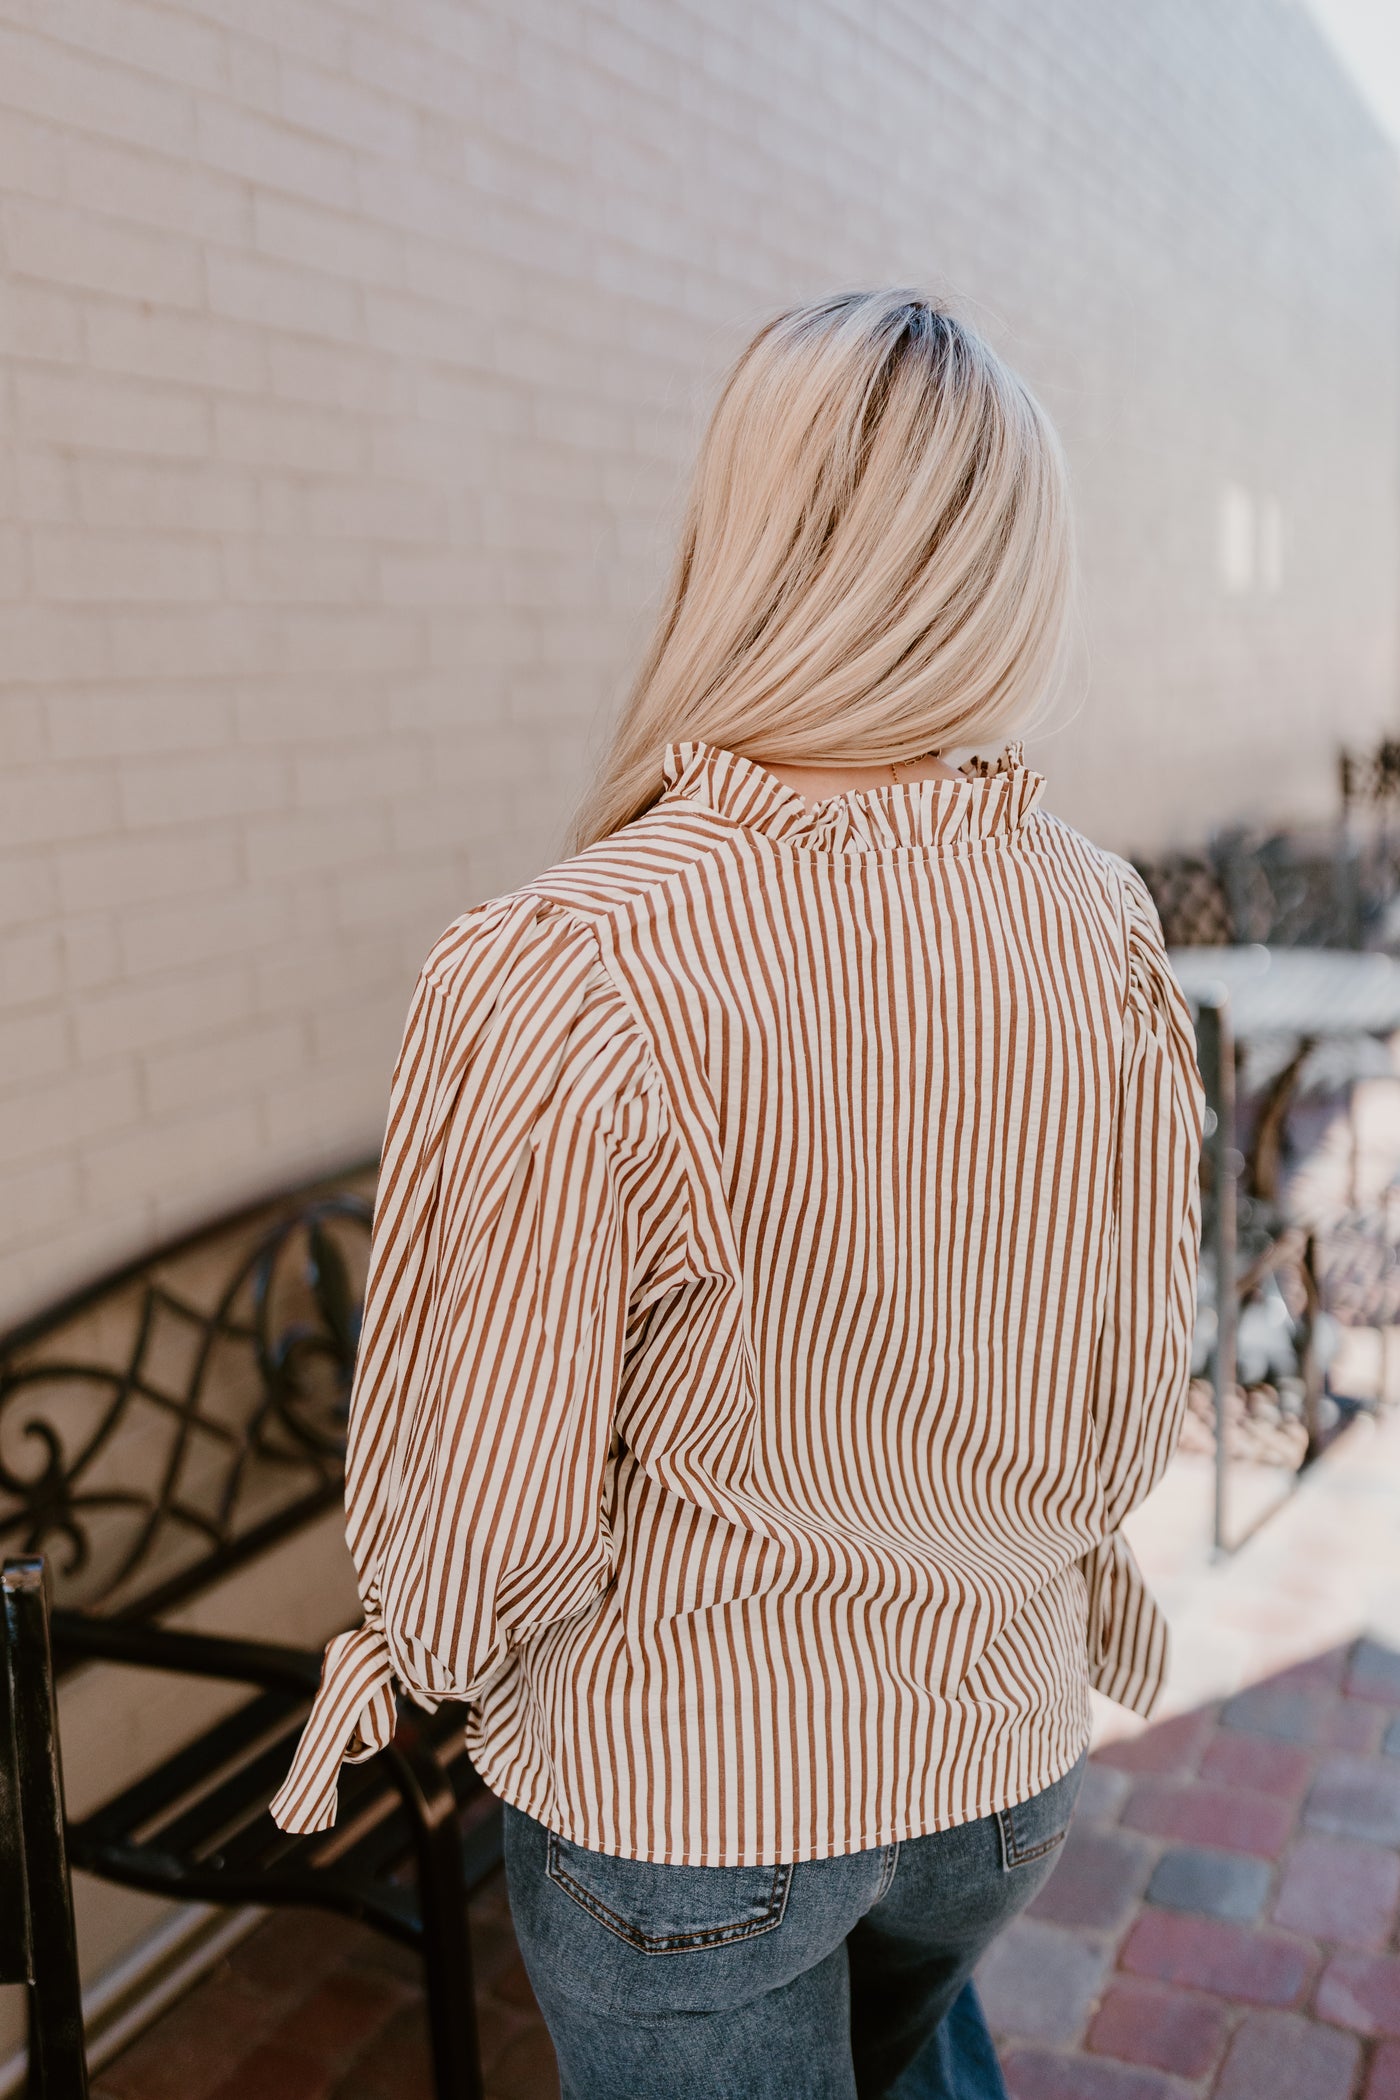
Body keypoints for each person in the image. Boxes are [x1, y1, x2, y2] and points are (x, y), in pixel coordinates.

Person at [270, 290, 1204, 2099]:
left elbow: (485, 1505)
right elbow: (1125, 1400)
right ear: (1006, 570)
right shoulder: (1101, 926)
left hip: (686, 1800)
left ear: (747, 541)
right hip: (1001, 1759)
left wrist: (422, 1653)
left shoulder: (575, 959)